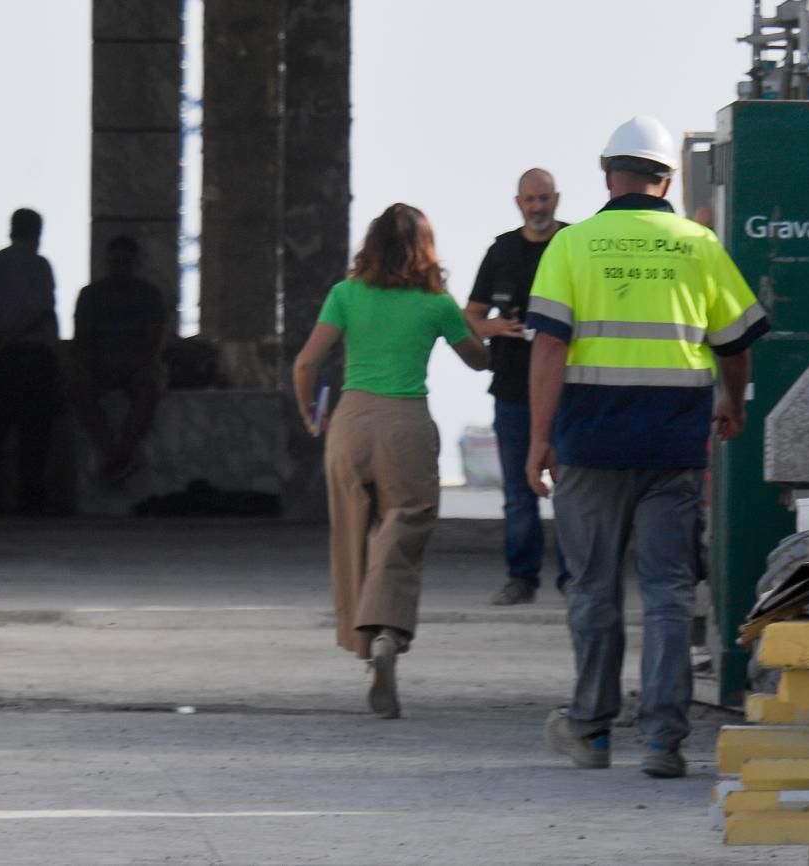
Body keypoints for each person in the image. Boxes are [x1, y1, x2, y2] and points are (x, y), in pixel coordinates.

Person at [525, 116, 769, 778]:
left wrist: (539, 438)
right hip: (674, 445)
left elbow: (549, 345)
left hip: (589, 443)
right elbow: (738, 342)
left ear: (609, 175)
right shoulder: (698, 244)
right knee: (667, 591)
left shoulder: (572, 247)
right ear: (665, 180)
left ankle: (592, 730)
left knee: (593, 590)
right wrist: (731, 400)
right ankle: (663, 740)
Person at [293, 203, 490, 719]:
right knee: (406, 522)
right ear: (425, 248)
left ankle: (367, 650)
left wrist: (311, 414)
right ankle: (386, 632)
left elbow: (307, 362)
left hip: (350, 419)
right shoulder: (435, 302)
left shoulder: (346, 294)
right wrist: (492, 333)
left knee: (354, 533)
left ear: (372, 244)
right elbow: (475, 358)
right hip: (406, 421)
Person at [464, 168, 572, 606]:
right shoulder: (501, 251)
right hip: (511, 391)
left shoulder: (575, 245)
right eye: (530, 200)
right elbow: (469, 317)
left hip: (569, 391)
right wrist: (495, 327)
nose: (538, 207)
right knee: (517, 492)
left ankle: (574, 578)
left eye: (544, 198)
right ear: (518, 203)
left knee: (571, 489)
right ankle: (520, 579)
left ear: (557, 199)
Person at [0, 208, 61, 515]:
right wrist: (10, 338)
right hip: (31, 357)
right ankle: (31, 500)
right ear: (38, 232)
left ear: (10, 230)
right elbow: (40, 312)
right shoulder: (39, 265)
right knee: (34, 434)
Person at [69, 236, 169, 483]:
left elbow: (153, 341)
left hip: (136, 365)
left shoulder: (149, 295)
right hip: (100, 364)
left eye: (125, 262)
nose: (120, 267)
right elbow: (82, 339)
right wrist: (97, 365)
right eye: (115, 261)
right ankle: (115, 453)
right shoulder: (90, 295)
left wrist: (131, 365)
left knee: (148, 388)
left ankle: (121, 451)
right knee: (78, 388)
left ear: (135, 264)